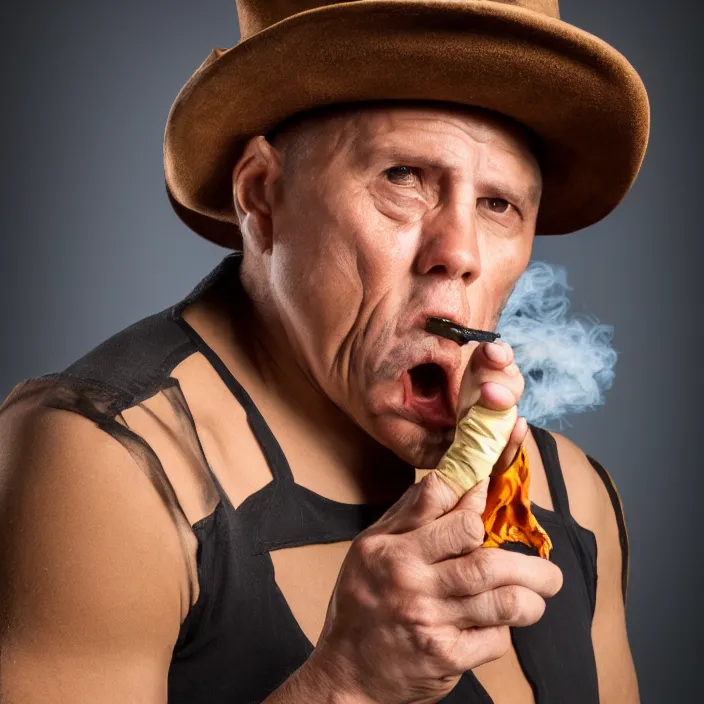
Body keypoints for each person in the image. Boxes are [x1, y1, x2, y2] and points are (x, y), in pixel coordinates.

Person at [0, 0, 648, 702]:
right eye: (404, 177)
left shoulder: (567, 496)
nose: (459, 254)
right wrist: (346, 685)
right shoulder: (106, 470)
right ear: (262, 194)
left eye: (499, 205)